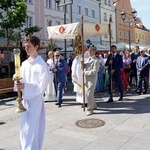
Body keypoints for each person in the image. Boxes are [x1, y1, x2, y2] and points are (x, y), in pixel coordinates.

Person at [15, 36, 49, 150]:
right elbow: (21, 81)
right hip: (25, 101)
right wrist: (17, 80)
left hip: (35, 102)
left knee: (33, 129)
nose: (26, 49)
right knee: (24, 129)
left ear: (36, 47)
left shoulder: (41, 64)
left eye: (28, 46)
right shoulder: (24, 64)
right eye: (25, 47)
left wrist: (26, 86)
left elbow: (42, 86)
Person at [83, 46, 99, 115]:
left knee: (89, 94)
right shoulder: (87, 59)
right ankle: (94, 105)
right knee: (89, 94)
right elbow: (83, 67)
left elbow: (95, 71)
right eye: (89, 50)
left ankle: (90, 109)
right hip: (86, 79)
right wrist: (82, 64)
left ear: (94, 51)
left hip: (92, 80)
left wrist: (85, 73)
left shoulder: (96, 60)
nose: (89, 51)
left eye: (91, 50)